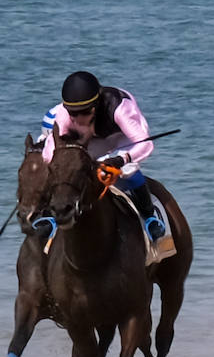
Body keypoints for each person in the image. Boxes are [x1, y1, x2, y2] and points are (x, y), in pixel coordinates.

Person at [39, 71, 165, 239]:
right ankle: (51, 215)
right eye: (73, 113)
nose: (78, 119)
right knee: (67, 165)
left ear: (96, 106)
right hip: (95, 138)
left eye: (84, 112)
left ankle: (150, 216)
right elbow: (51, 150)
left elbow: (146, 144)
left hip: (123, 136)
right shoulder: (64, 115)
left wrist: (121, 159)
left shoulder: (120, 109)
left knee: (128, 169)